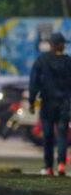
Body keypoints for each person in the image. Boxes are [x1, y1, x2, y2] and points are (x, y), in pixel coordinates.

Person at [28, 32, 71, 176]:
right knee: (62, 134)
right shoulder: (68, 61)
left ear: (51, 45)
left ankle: (48, 167)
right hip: (65, 104)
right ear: (62, 45)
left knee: (47, 135)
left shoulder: (42, 60)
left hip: (47, 103)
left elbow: (34, 81)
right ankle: (61, 164)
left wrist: (32, 101)